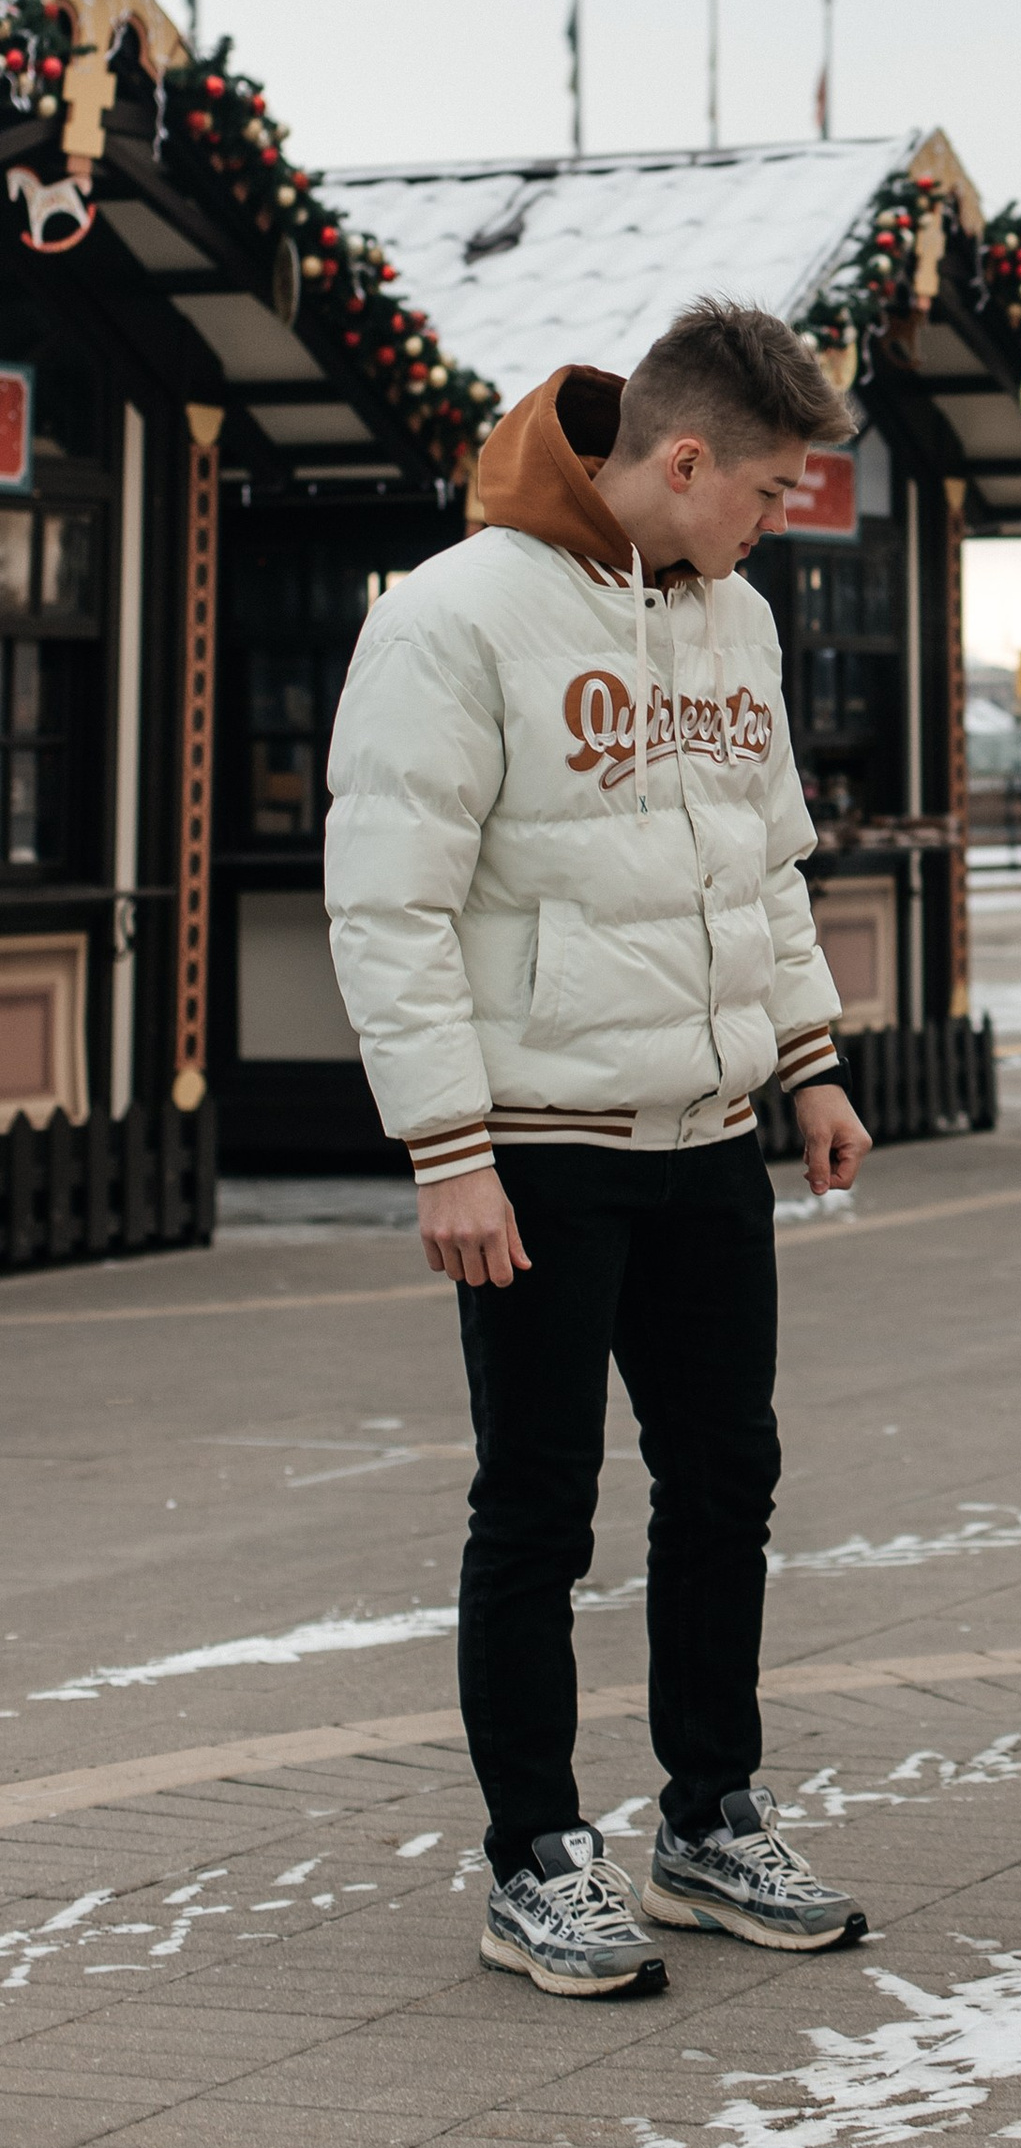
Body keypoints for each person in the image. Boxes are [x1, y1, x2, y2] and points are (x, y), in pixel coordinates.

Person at [325, 299, 873, 1999]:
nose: (778, 522)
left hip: (708, 1131)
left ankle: (708, 1820)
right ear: (685, 457)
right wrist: (448, 1151)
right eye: (769, 491)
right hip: (543, 1149)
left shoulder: (734, 622)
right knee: (539, 1509)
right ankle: (533, 1858)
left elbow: (762, 863)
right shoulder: (455, 616)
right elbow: (389, 900)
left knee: (728, 1483)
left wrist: (813, 1065)